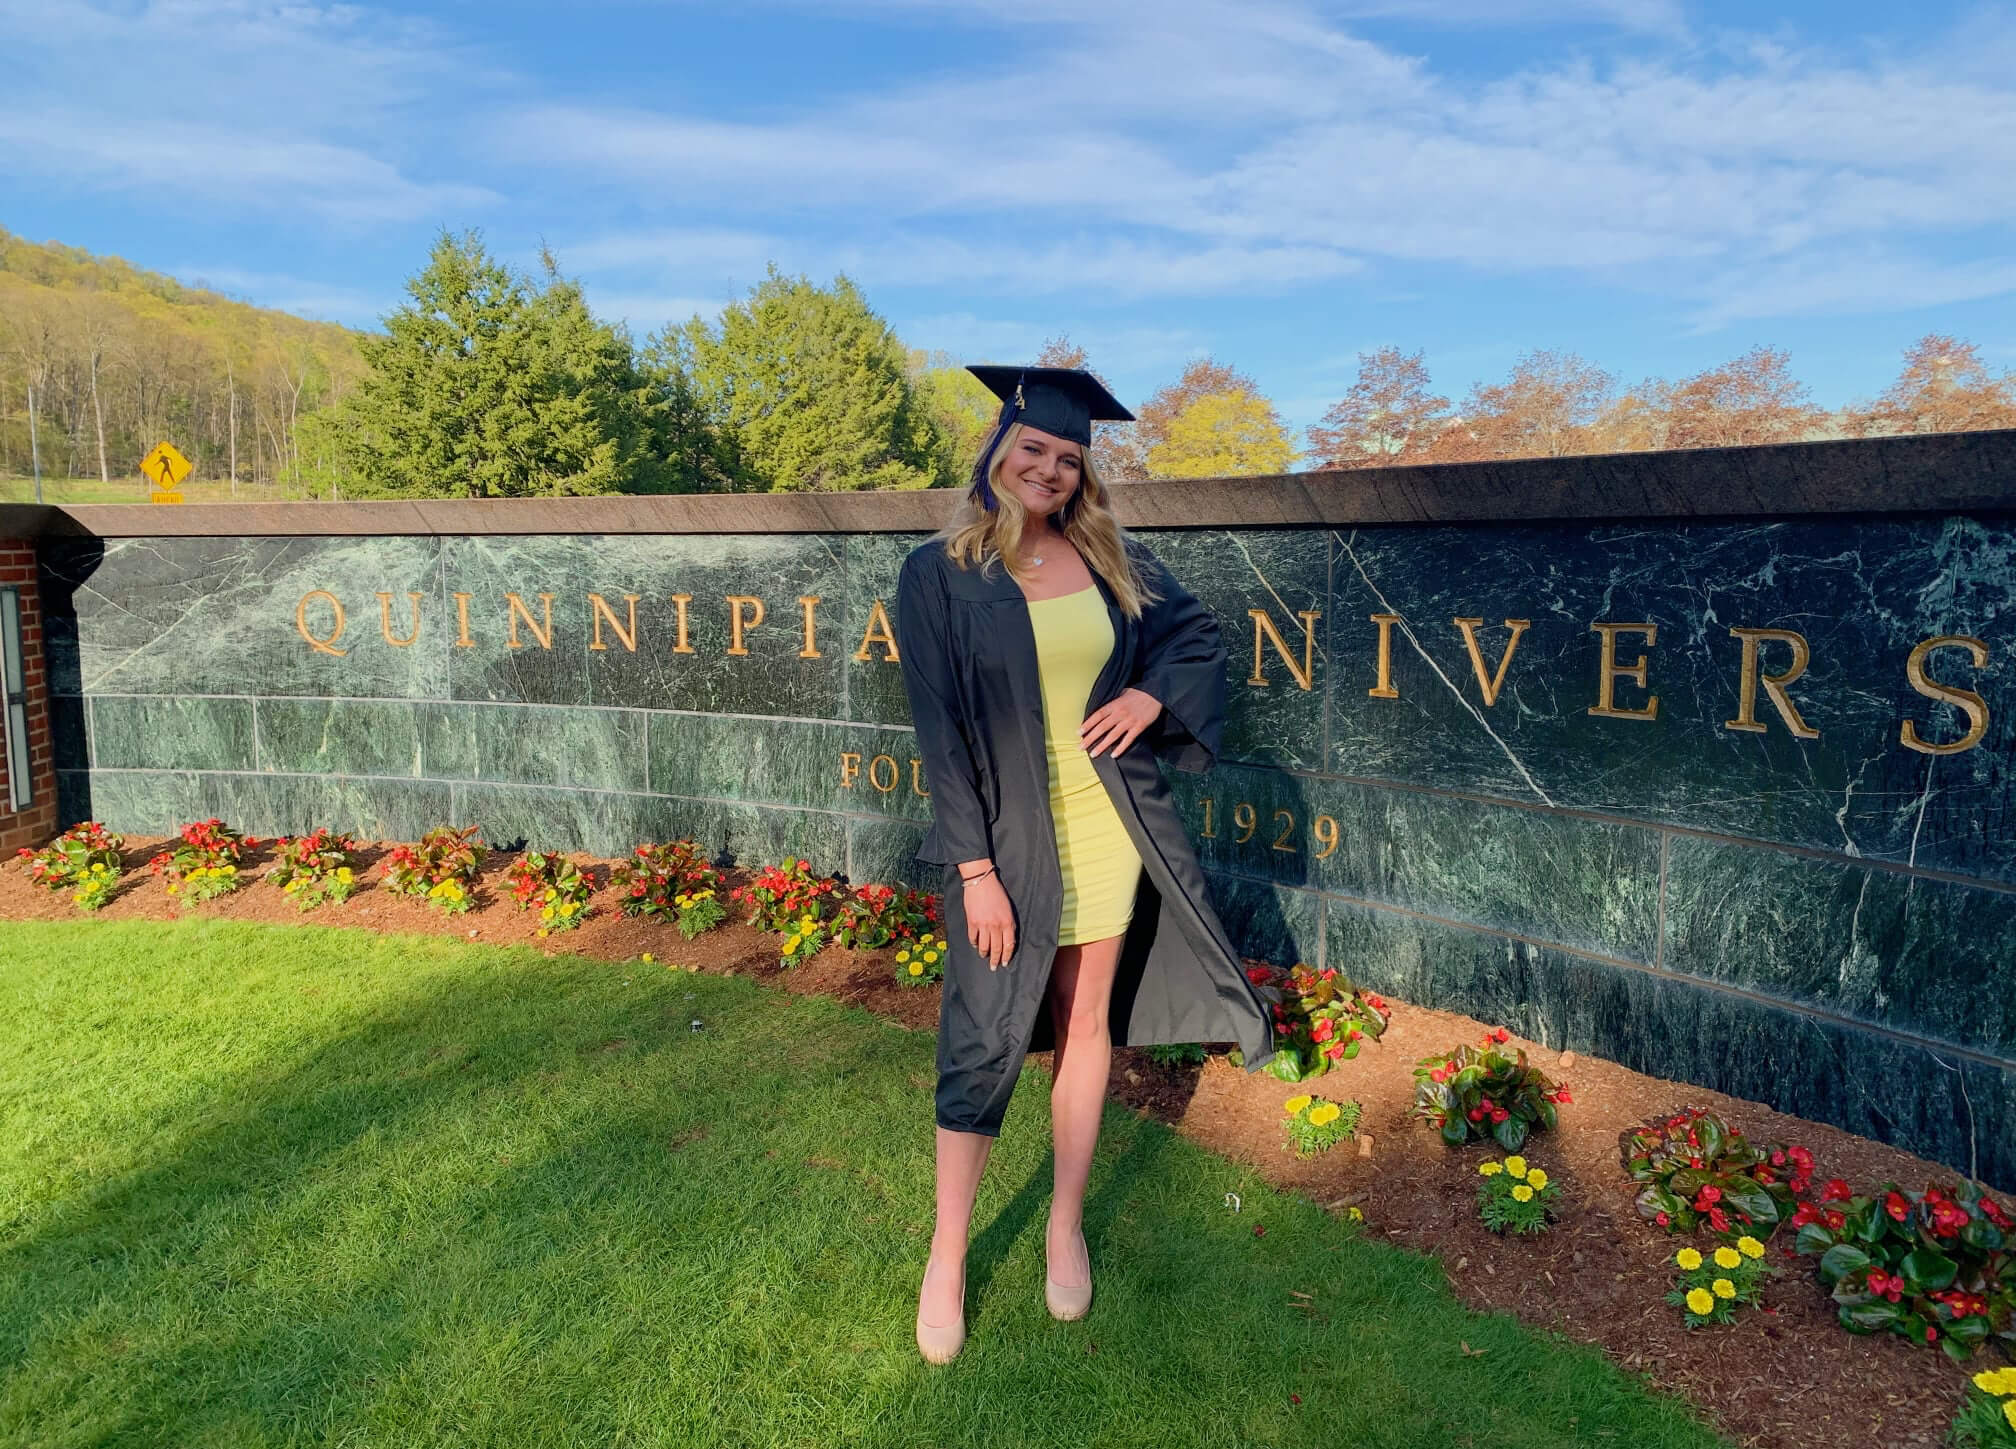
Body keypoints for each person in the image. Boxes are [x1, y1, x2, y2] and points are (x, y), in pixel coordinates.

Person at [894, 364, 1277, 1365]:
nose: (1050, 470)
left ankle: (1064, 1223)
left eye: (1068, 458)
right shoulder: (938, 573)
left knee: (1085, 1022)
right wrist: (975, 871)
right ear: (998, 448)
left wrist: (1150, 698)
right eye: (1035, 449)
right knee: (982, 1036)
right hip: (1004, 842)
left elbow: (1195, 636)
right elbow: (939, 734)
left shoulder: (1111, 558)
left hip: (1108, 827)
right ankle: (947, 1253)